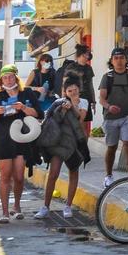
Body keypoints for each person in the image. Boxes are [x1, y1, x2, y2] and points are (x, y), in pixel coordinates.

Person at [0, 66, 40, 222]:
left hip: (21, 138)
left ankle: (17, 206)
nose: (8, 80)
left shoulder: (27, 93)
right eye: (5, 77)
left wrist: (23, 107)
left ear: (16, 77)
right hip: (2, 139)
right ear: (1, 80)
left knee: (19, 176)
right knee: (5, 176)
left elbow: (38, 114)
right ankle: (4, 212)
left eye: (11, 76)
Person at [36, 77, 90, 220]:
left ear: (79, 90)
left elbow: (80, 120)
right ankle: (45, 206)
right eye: (69, 90)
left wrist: (74, 106)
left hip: (74, 143)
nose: (72, 93)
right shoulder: (58, 103)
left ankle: (68, 206)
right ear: (64, 91)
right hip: (59, 142)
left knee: (74, 172)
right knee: (53, 174)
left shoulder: (83, 102)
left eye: (75, 90)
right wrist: (63, 111)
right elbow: (52, 121)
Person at [97, 47, 128, 186]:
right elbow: (102, 99)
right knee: (112, 147)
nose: (119, 61)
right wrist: (109, 107)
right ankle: (108, 176)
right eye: (116, 58)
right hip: (110, 118)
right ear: (111, 61)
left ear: (126, 60)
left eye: (122, 58)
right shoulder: (107, 77)